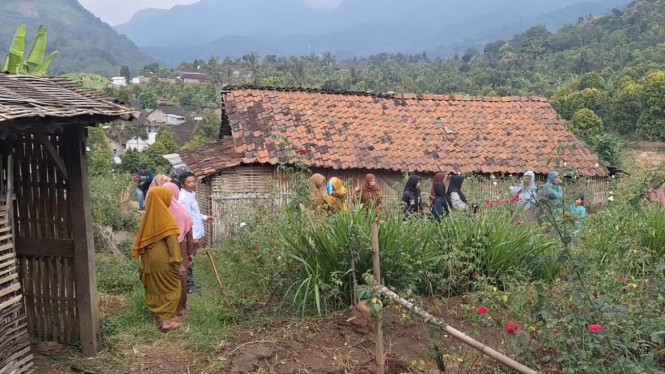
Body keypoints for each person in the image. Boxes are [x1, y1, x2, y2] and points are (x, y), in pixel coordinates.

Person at [132, 186, 184, 332]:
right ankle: (166, 321)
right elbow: (173, 244)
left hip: (148, 259)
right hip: (161, 257)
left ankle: (157, 318)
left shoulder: (148, 218)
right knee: (173, 286)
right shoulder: (167, 218)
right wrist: (178, 263)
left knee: (154, 287)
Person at [178, 172, 214, 295]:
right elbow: (185, 219)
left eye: (193, 181)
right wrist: (192, 237)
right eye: (189, 182)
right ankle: (187, 287)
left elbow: (194, 214)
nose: (192, 184)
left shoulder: (191, 194)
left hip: (195, 235)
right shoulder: (183, 197)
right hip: (190, 236)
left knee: (191, 259)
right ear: (182, 184)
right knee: (189, 260)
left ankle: (189, 284)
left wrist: (204, 217)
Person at [164, 182, 194, 318]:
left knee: (167, 277)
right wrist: (190, 253)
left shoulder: (162, 212)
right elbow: (189, 233)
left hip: (164, 248)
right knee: (180, 278)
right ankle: (180, 308)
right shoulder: (182, 212)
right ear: (176, 193)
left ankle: (167, 309)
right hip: (181, 247)